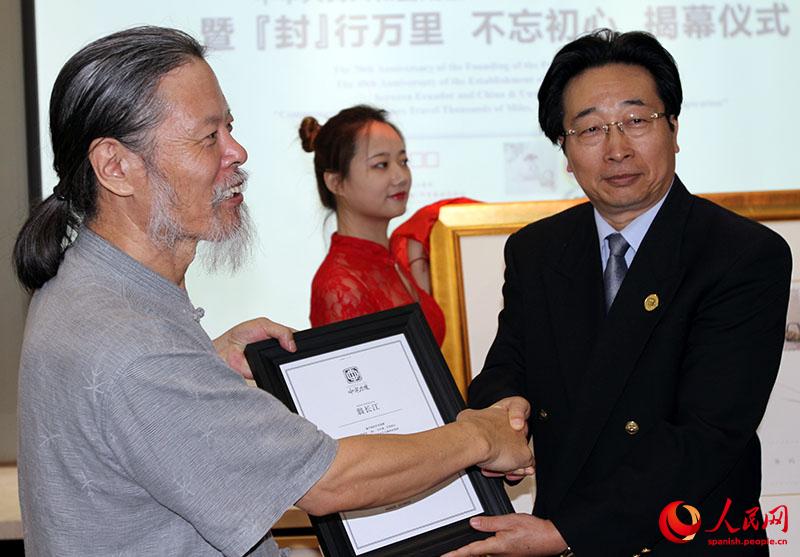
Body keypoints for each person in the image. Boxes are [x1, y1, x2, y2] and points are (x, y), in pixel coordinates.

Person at [13, 27, 534, 557]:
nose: (237, 152)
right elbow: (331, 483)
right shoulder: (133, 342)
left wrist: (203, 364)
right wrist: (481, 436)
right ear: (116, 166)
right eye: (207, 137)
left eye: (230, 128)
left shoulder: (91, 291)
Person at [447, 29, 791, 557]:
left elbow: (706, 434)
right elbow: (510, 363)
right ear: (563, 151)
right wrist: (504, 414)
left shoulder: (743, 254)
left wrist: (569, 532)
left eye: (637, 120)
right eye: (589, 129)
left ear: (674, 128)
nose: (616, 149)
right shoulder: (537, 249)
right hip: (566, 524)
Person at [300, 106, 448, 344]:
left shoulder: (391, 260)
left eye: (403, 161)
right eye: (381, 165)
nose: (401, 176)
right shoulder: (340, 285)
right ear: (336, 182)